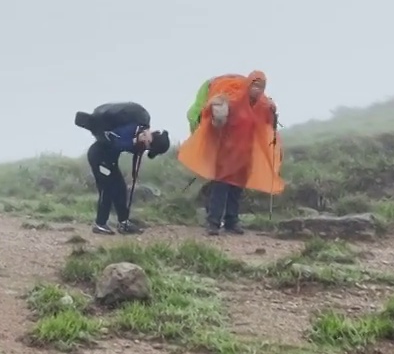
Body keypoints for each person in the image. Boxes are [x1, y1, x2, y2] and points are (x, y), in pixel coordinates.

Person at [182, 71, 281, 236]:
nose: (257, 90)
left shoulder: (263, 107)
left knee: (236, 190)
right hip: (226, 153)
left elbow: (268, 126)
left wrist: (273, 112)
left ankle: (231, 222)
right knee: (220, 187)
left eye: (261, 87)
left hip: (245, 156)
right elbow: (210, 117)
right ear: (248, 84)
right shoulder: (232, 102)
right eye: (254, 85)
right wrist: (216, 108)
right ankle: (213, 223)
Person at [74, 102, 170, 235]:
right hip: (98, 157)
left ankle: (123, 223)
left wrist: (137, 147)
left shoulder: (141, 135)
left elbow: (130, 153)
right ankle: (100, 224)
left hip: (110, 160)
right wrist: (134, 142)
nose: (147, 148)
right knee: (106, 189)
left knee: (120, 188)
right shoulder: (132, 128)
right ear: (151, 138)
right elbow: (115, 143)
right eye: (149, 146)